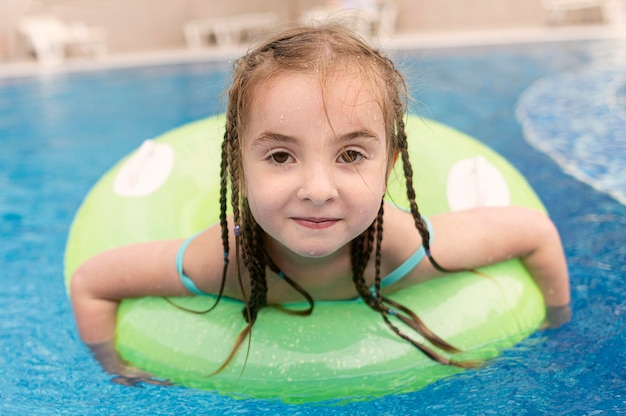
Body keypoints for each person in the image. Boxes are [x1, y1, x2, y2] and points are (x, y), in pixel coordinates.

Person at [70, 24, 572, 386]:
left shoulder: (408, 249)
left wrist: (555, 326)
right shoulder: (221, 263)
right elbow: (92, 283)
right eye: (281, 155)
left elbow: (534, 231)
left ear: (389, 165)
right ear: (239, 166)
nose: (317, 188)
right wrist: (119, 370)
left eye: (350, 154)